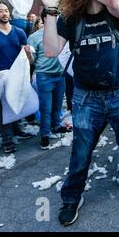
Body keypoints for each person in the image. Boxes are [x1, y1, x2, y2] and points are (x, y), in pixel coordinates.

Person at [36, 0, 119, 226]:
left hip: (117, 93)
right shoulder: (72, 20)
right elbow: (52, 50)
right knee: (81, 151)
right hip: (85, 97)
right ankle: (71, 196)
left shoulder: (116, 12)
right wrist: (52, 11)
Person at [0, 1, 34, 154]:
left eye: (6, 10)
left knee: (17, 103)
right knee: (2, 109)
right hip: (0, 77)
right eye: (0, 11)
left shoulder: (19, 32)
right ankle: (7, 140)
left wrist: (29, 54)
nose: (5, 13)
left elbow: (27, 59)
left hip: (17, 76)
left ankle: (17, 130)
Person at [27, 9, 72, 150]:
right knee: (46, 108)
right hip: (44, 76)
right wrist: (28, 55)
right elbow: (32, 61)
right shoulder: (34, 37)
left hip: (60, 75)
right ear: (45, 19)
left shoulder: (61, 34)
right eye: (52, 17)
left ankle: (56, 126)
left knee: (58, 106)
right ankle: (45, 135)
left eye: (56, 16)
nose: (55, 19)